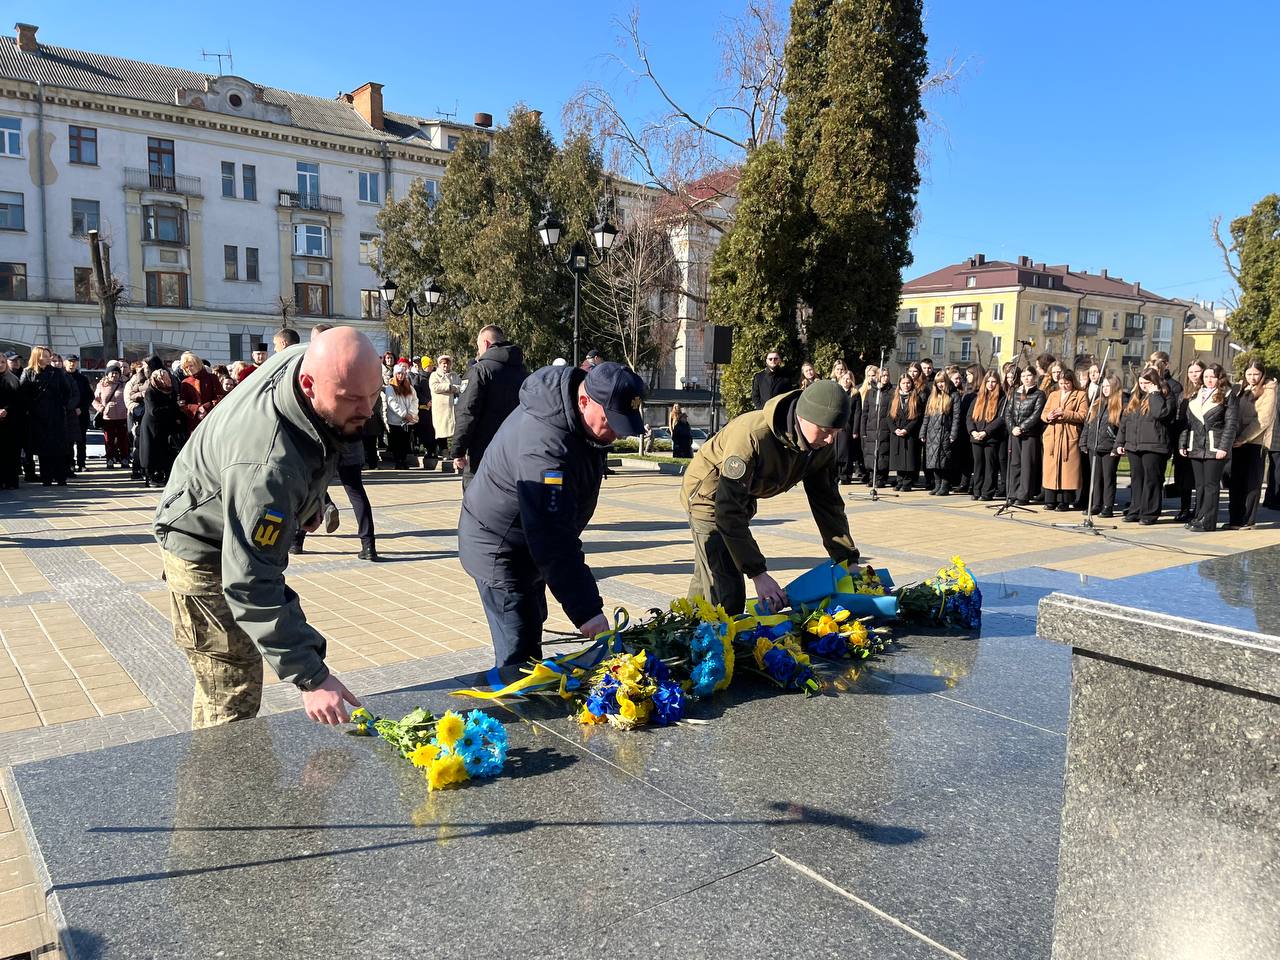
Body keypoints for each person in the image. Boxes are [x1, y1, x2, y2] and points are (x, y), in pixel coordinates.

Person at [153, 327, 381, 727]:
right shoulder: (267, 467)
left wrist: (306, 502)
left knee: (218, 685)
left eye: (374, 393)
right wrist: (312, 677)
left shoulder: (308, 360)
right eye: (351, 399)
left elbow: (316, 438)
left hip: (224, 509)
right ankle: (224, 786)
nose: (367, 409)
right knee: (231, 688)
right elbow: (251, 582)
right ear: (309, 384)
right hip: (202, 546)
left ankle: (209, 777)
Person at [458, 361, 647, 666]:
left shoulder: (580, 420)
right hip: (499, 547)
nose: (616, 433)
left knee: (533, 619)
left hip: (529, 546)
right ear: (584, 401)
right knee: (518, 650)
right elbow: (551, 534)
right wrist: (587, 611)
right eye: (610, 420)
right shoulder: (545, 447)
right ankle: (509, 710)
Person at [682, 379, 859, 616]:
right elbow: (727, 509)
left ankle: (685, 630)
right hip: (708, 496)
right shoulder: (753, 436)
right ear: (803, 418)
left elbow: (827, 503)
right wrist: (758, 573)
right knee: (727, 593)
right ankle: (714, 644)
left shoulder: (820, 446)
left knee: (709, 575)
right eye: (826, 431)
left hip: (740, 499)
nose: (830, 440)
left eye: (836, 433)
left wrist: (846, 559)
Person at [451, 324, 529, 489]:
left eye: (478, 347)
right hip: (516, 450)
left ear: (485, 344)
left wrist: (458, 450)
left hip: (483, 450)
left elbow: (467, 412)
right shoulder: (524, 373)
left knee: (477, 501)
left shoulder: (480, 371)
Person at [1179, 362, 1237, 533]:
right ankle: (1198, 516)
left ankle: (1208, 522)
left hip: (1215, 447)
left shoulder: (1227, 395)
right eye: (1206, 376)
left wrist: (1224, 447)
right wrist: (1183, 443)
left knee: (1211, 486)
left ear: (1220, 378)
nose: (1209, 379)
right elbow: (1187, 422)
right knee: (1200, 485)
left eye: (1212, 376)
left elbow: (1231, 425)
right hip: (1196, 446)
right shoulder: (1196, 394)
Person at [1115, 369, 1174, 525]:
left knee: (1152, 480)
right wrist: (1120, 443)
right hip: (1134, 445)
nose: (1143, 386)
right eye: (1140, 383)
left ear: (1155, 382)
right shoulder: (1136, 397)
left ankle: (1150, 513)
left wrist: (1155, 394)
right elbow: (1125, 421)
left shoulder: (1165, 395)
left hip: (1154, 445)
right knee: (1136, 479)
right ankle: (1135, 509)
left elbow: (1160, 414)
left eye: (1147, 383)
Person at [1226, 360, 1274, 530]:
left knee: (1251, 482)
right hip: (1236, 441)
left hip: (1255, 443)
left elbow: (1263, 419)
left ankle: (1248, 519)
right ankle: (1235, 519)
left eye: (1256, 374)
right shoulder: (1239, 388)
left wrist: (1243, 438)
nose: (1252, 378)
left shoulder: (1269, 390)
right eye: (1249, 374)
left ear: (1262, 374)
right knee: (1235, 481)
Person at [19, 347, 75, 486]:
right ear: (37, 357)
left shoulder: (56, 372)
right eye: (44, 356)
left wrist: (62, 405)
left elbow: (66, 391)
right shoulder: (28, 372)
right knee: (43, 448)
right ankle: (46, 477)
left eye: (48, 356)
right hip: (37, 416)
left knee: (58, 446)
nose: (48, 358)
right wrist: (30, 409)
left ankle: (60, 476)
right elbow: (22, 394)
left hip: (56, 414)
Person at [1040, 372, 1089, 511]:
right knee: (1051, 468)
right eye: (1061, 383)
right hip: (1053, 434)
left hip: (1069, 435)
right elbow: (1043, 413)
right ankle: (1050, 499)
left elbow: (1083, 415)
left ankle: (1065, 501)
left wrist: (1065, 413)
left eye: (1067, 383)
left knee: (1068, 469)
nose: (1064, 386)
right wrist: (1048, 416)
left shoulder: (1080, 395)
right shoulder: (1053, 395)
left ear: (1072, 382)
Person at [1079, 374, 1123, 517]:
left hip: (1109, 447)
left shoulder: (1120, 404)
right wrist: (1083, 441)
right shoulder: (1096, 403)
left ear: (1115, 387)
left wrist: (1117, 446)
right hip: (1094, 445)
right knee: (1095, 477)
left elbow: (1122, 428)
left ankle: (1107, 506)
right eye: (1103, 386)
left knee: (1108, 477)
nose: (1105, 389)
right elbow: (1088, 423)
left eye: (1108, 386)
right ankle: (1096, 504)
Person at [1005, 367, 1046, 505]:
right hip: (1015, 434)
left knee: (1027, 465)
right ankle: (1012, 493)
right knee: (1015, 464)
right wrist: (1012, 428)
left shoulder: (1039, 394)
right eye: (1023, 376)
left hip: (1029, 435)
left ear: (1034, 377)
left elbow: (1036, 414)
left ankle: (1023, 495)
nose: (1026, 378)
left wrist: (1022, 428)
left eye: (1029, 375)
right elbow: (1008, 413)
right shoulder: (1015, 393)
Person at [139, 369, 185, 487]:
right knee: (152, 451)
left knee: (166, 451)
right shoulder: (151, 391)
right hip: (153, 426)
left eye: (167, 377)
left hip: (167, 426)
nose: (167, 380)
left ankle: (165, 475)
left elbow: (174, 408)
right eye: (163, 377)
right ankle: (152, 476)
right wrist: (174, 407)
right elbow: (153, 411)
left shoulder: (171, 391)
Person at [1172, 359, 1205, 522]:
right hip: (1184, 438)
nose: (1194, 375)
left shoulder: (1206, 390)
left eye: (1197, 371)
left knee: (1198, 479)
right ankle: (1184, 508)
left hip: (1200, 440)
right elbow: (1180, 417)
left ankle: (1198, 509)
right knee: (1184, 478)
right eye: (1191, 372)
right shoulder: (1183, 393)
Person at [966, 370, 1006, 501]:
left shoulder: (1002, 398)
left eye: (993, 381)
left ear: (998, 383)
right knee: (978, 465)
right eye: (988, 381)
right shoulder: (978, 397)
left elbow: (1001, 419)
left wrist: (986, 432)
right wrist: (973, 432)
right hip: (976, 437)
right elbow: (969, 417)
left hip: (991, 438)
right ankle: (976, 491)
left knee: (990, 466)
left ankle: (987, 492)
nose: (990, 384)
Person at [920, 372, 960, 495]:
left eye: (942, 382)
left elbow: (956, 417)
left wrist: (953, 434)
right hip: (932, 433)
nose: (940, 385)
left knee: (944, 461)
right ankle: (937, 485)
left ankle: (945, 485)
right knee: (933, 461)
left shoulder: (954, 395)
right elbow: (926, 416)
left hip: (945, 433)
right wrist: (923, 432)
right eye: (938, 382)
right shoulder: (932, 396)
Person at [888, 373, 923, 491]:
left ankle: (907, 482)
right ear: (899, 384)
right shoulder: (894, 398)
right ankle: (899, 480)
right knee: (898, 459)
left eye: (908, 383)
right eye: (903, 383)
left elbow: (917, 418)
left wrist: (906, 429)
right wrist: (894, 429)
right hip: (897, 433)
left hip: (909, 434)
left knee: (908, 458)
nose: (906, 385)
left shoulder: (916, 398)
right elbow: (888, 417)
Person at [860, 367, 893, 488]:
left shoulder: (891, 392)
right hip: (871, 428)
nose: (885, 378)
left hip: (884, 428)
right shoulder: (871, 392)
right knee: (871, 453)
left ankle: (881, 478)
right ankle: (871, 476)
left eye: (887, 375)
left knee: (883, 453)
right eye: (883, 375)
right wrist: (863, 430)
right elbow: (865, 413)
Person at [92, 365, 130, 467]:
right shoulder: (101, 385)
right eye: (112, 373)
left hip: (122, 417)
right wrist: (101, 408)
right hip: (108, 417)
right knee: (109, 440)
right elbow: (94, 400)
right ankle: (110, 459)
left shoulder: (125, 384)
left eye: (117, 373)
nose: (114, 375)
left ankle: (125, 459)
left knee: (123, 440)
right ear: (107, 374)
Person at [382, 362, 418, 468]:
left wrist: (411, 414)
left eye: (402, 374)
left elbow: (415, 400)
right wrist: (403, 414)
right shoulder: (391, 388)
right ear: (395, 374)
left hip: (408, 421)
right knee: (396, 442)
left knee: (405, 441)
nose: (400, 376)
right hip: (395, 420)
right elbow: (392, 403)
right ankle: (398, 461)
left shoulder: (410, 387)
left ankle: (403, 460)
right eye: (398, 374)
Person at [177, 352, 223, 434]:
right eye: (186, 367)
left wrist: (206, 409)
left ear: (198, 364)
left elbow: (219, 398)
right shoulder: (185, 382)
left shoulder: (212, 378)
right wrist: (197, 409)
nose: (189, 369)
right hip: (193, 423)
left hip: (211, 418)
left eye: (191, 366)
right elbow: (182, 404)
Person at [64, 355, 94, 473]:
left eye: (74, 362)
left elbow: (89, 396)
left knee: (81, 441)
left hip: (82, 414)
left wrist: (82, 408)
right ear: (65, 362)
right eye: (70, 362)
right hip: (68, 414)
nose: (72, 364)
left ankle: (81, 463)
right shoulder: (62, 377)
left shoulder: (82, 378)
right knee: (69, 441)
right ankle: (70, 464)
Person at [430, 355, 461, 458]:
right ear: (439, 364)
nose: (445, 365)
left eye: (447, 363)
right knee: (441, 430)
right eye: (443, 363)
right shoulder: (434, 375)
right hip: (440, 408)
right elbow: (435, 387)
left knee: (454, 429)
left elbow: (461, 387)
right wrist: (449, 387)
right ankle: (444, 451)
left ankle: (455, 451)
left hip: (453, 406)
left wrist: (454, 388)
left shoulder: (454, 375)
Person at [834, 371, 862, 484]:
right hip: (836, 427)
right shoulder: (836, 392)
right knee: (836, 453)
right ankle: (835, 475)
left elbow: (857, 412)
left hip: (848, 426)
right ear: (840, 380)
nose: (846, 381)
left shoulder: (855, 394)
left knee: (846, 453)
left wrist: (855, 430)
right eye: (844, 378)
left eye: (848, 378)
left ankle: (845, 476)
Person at [0, 353, 22, 489]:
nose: (0, 365)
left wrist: (6, 409)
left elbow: (18, 401)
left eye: (2, 362)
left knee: (11, 453)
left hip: (11, 422)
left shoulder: (12, 380)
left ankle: (11, 481)